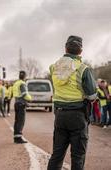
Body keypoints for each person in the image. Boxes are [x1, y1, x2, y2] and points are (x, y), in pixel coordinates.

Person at [47, 35, 97, 170]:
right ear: (81, 51)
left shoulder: (53, 67)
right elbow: (92, 95)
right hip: (78, 116)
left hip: (60, 115)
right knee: (78, 157)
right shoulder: (82, 68)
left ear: (65, 48)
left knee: (57, 155)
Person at [13, 71, 32, 144]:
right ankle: (19, 138)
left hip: (16, 103)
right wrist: (30, 98)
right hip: (21, 104)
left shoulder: (16, 83)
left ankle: (16, 137)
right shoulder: (22, 84)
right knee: (21, 121)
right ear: (25, 76)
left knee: (17, 121)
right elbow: (25, 94)